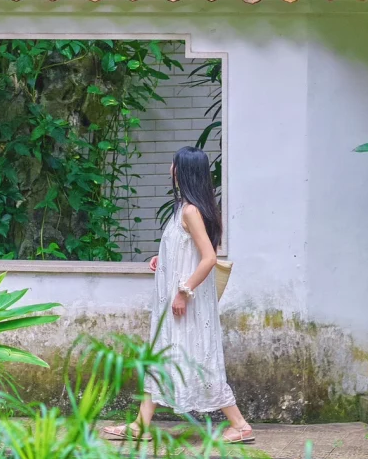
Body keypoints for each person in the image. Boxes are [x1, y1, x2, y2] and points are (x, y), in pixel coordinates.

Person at [104, 146, 255, 443]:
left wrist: (183, 293)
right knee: (164, 355)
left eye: (173, 165)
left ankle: (239, 424)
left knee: (196, 356)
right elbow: (186, 250)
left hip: (185, 303)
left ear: (183, 171)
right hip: (176, 303)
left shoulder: (190, 211)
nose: (170, 170)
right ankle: (140, 425)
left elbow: (209, 258)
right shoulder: (183, 208)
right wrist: (163, 258)